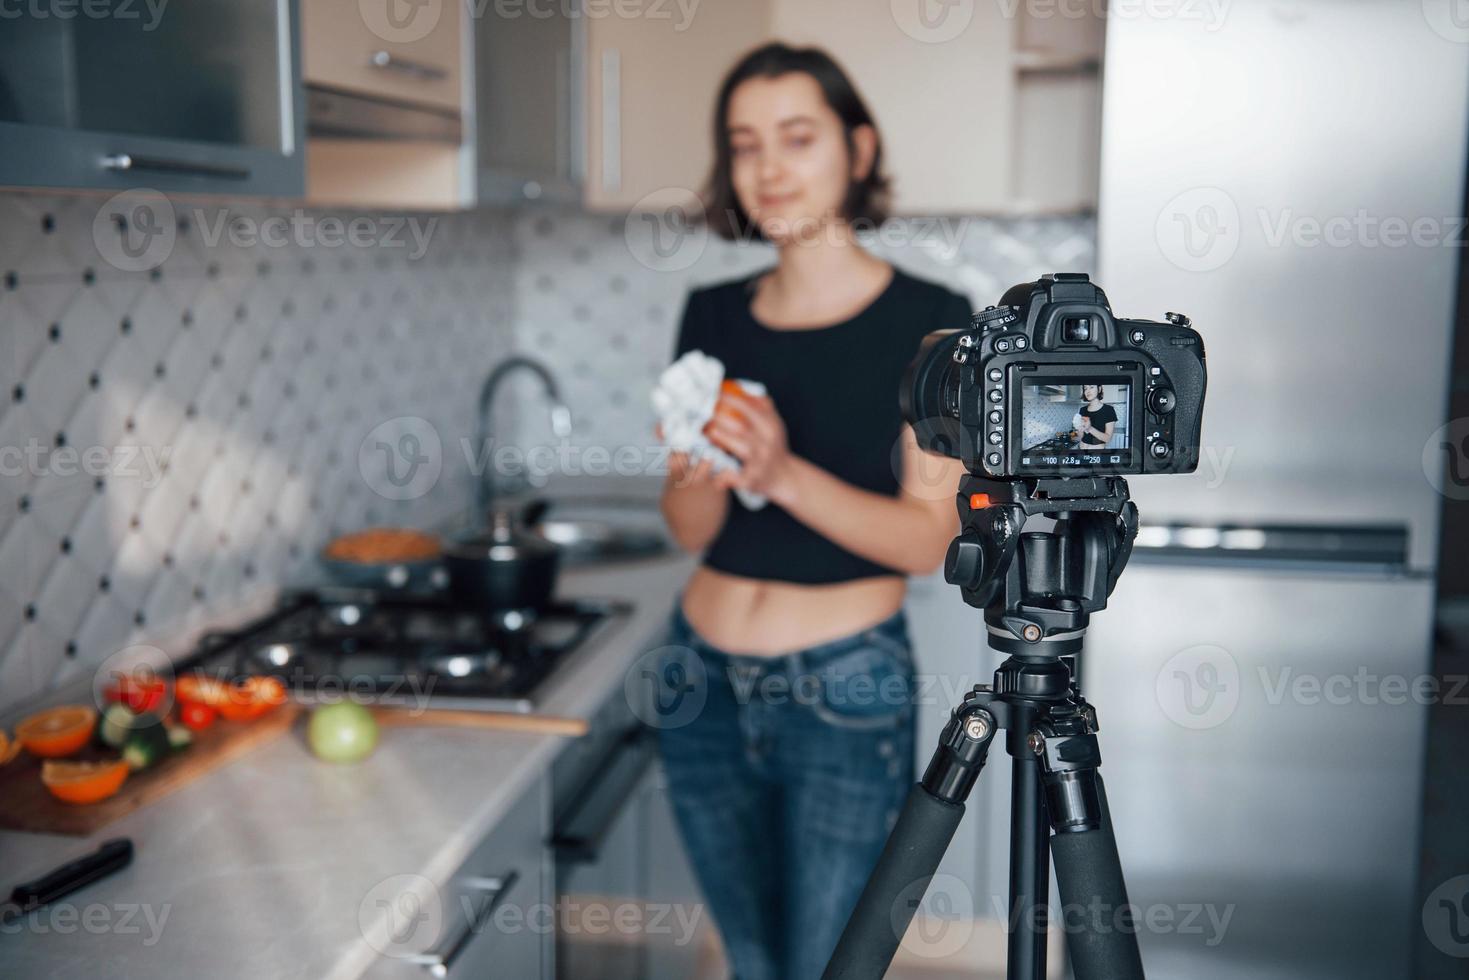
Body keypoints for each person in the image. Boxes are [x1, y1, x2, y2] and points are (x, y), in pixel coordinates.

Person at [652, 42, 973, 980]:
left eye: (798, 137)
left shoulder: (931, 322)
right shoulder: (711, 313)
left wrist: (782, 470)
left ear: (858, 150)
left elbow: (926, 540)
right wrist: (701, 460)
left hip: (845, 689)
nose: (769, 168)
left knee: (826, 968)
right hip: (697, 683)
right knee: (751, 962)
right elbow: (691, 530)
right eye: (744, 144)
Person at [1076, 383, 1117, 449]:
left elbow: (1108, 439)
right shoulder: (1082, 410)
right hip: (1082, 449)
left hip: (1097, 453)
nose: (1088, 391)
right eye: (1085, 388)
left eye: (1091, 387)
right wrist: (1079, 429)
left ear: (1099, 389)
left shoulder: (1109, 410)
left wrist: (1089, 428)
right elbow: (1081, 436)